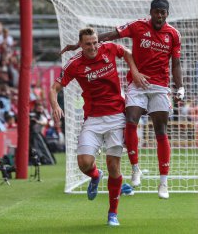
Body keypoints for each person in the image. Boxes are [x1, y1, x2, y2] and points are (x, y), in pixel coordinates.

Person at [61, 0, 184, 199]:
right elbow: (112, 34)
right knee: (130, 120)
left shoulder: (173, 34)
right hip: (137, 84)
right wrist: (80, 45)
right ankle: (136, 169)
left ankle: (164, 183)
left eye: (163, 13)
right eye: (157, 12)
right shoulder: (137, 26)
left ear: (167, 14)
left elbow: (176, 64)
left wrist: (180, 88)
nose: (160, 15)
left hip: (160, 86)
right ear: (151, 12)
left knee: (161, 130)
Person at [50, 27, 145, 226]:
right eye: (88, 44)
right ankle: (95, 175)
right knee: (84, 163)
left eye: (95, 42)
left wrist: (134, 71)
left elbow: (127, 53)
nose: (93, 47)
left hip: (116, 117)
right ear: (81, 45)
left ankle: (112, 213)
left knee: (114, 166)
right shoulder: (74, 64)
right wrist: (55, 104)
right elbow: (54, 88)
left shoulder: (109, 48)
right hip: (93, 119)